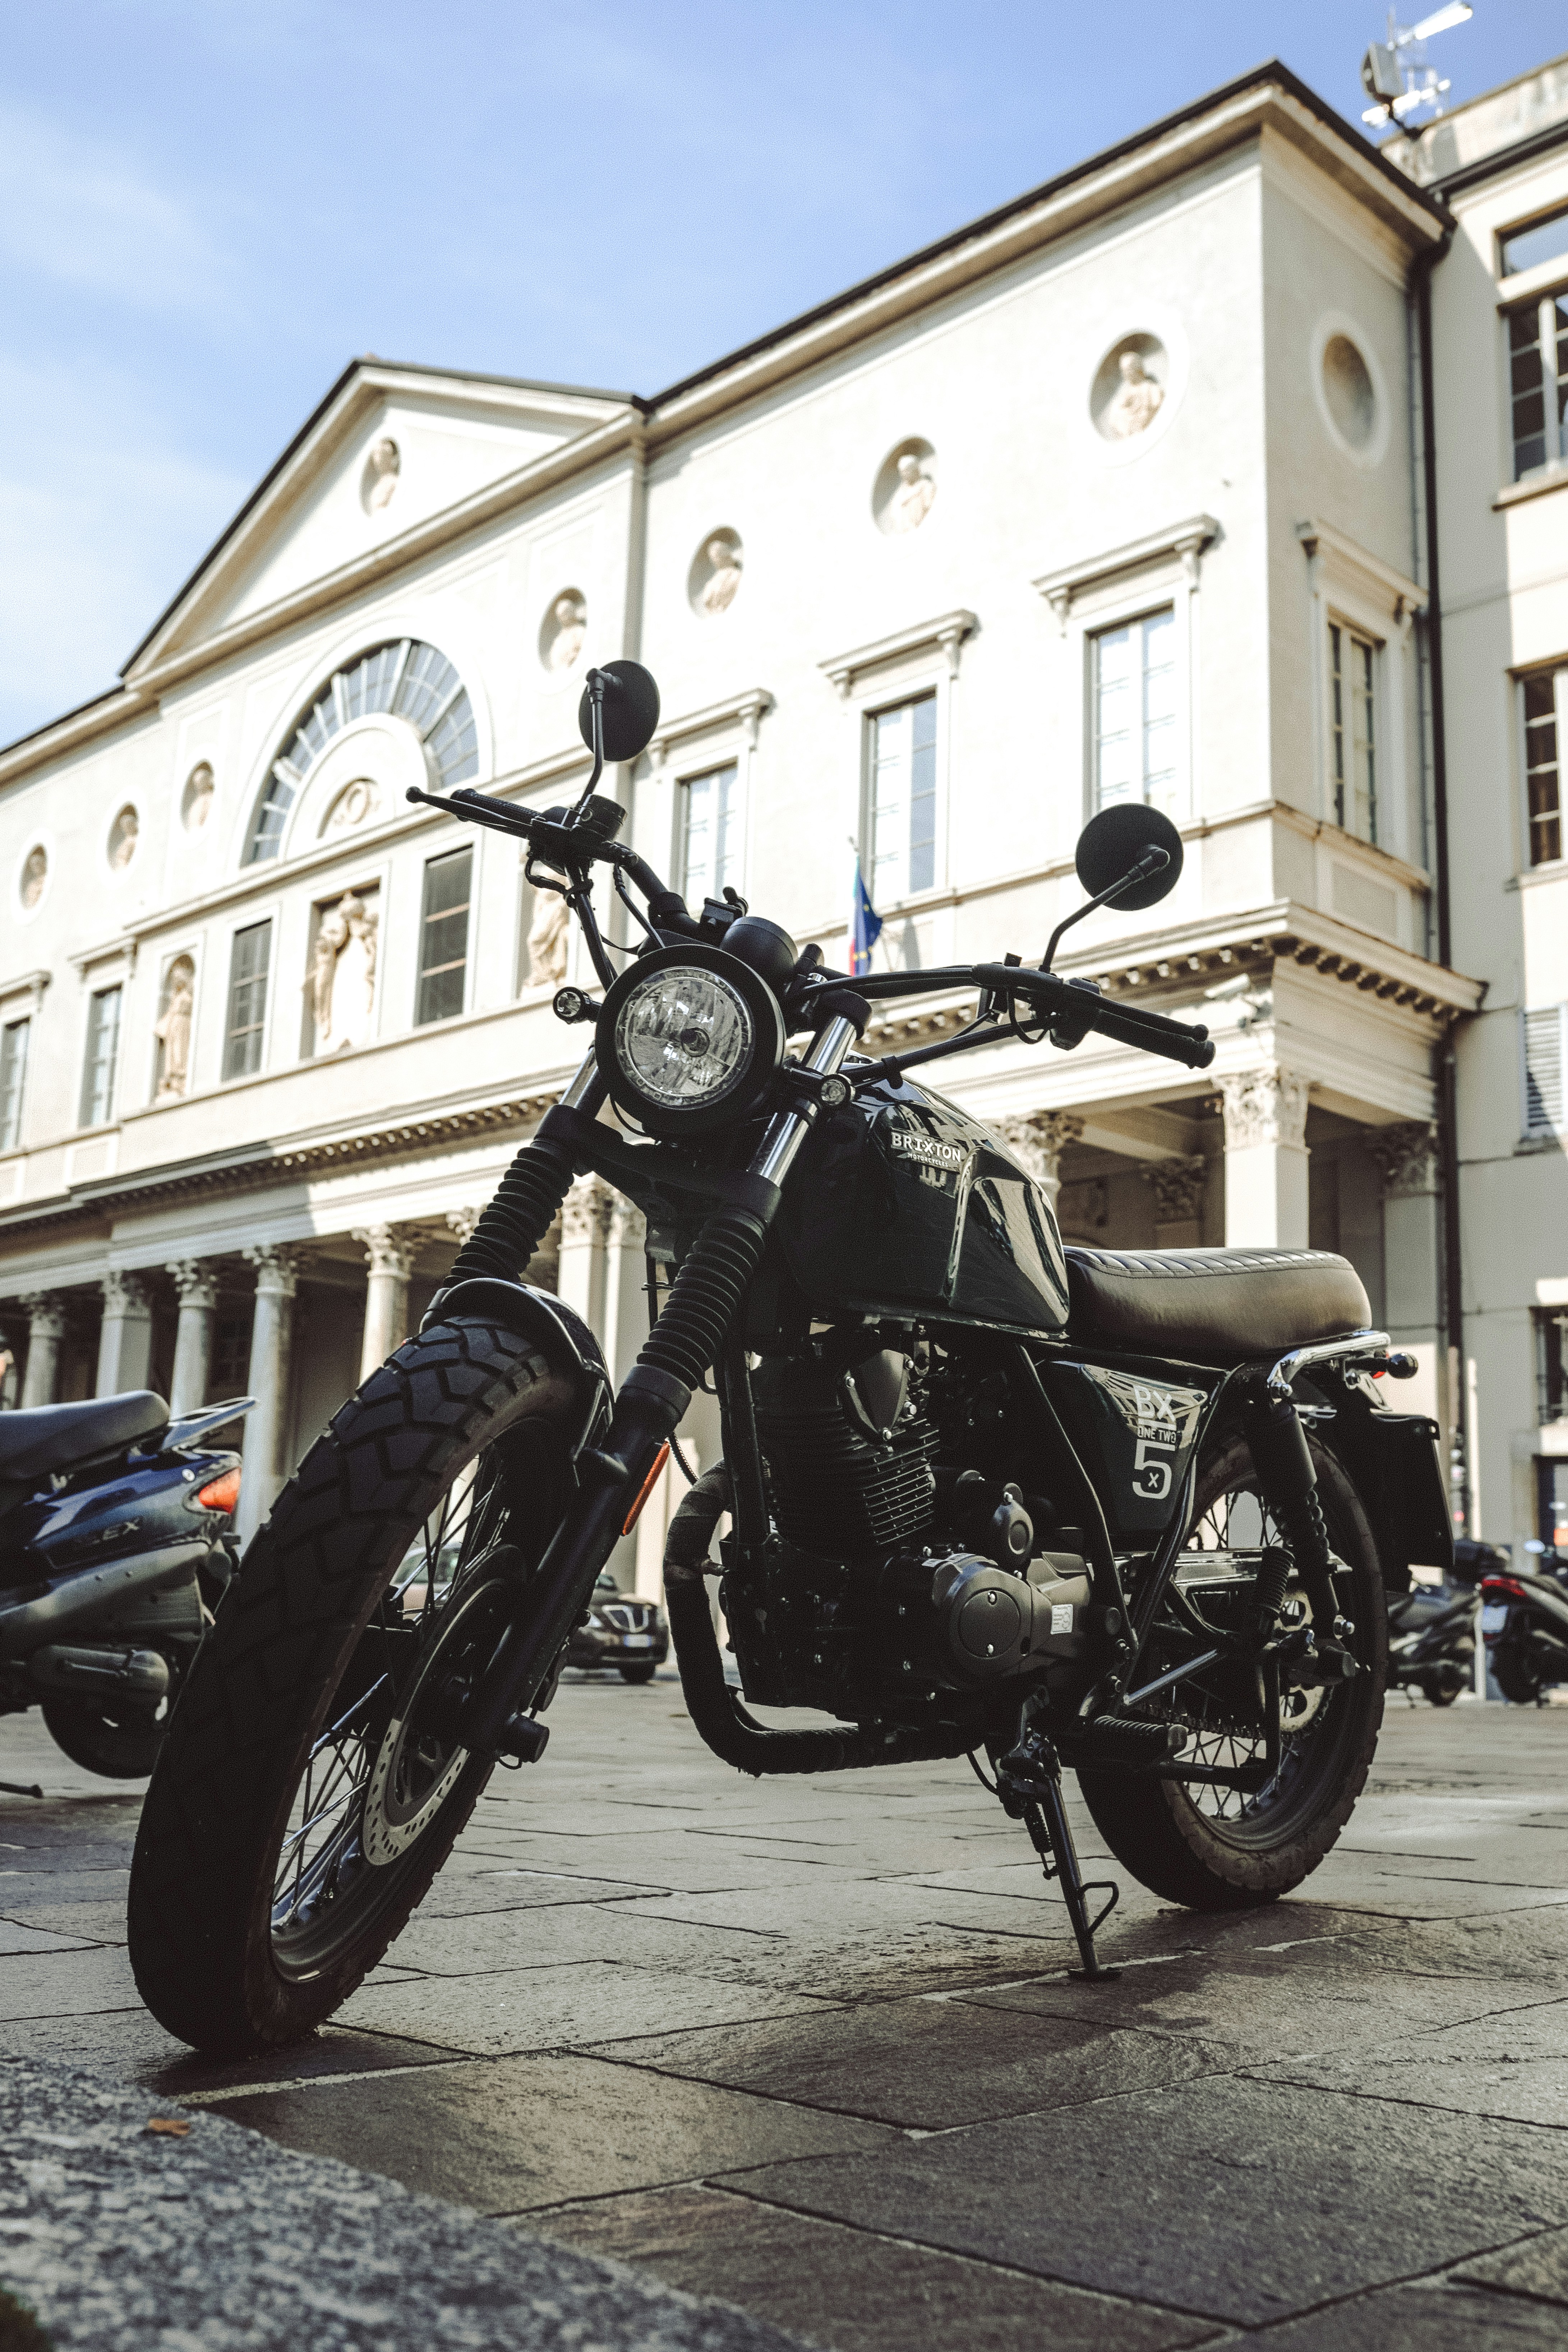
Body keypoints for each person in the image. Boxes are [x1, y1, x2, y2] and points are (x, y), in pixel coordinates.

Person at [1105, 349, 1164, 438]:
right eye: (1124, 371)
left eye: (1128, 370)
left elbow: (1157, 402)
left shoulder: (1151, 388)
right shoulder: (1125, 395)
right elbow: (1115, 416)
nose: (1126, 374)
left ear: (1138, 369)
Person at [888, 452, 936, 532]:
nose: (904, 475)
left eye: (907, 471)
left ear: (915, 470)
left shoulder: (926, 486)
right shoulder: (900, 493)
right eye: (902, 472)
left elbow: (929, 506)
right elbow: (895, 513)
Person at [701, 538, 742, 614]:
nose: (714, 560)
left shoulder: (736, 574)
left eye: (716, 556)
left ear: (724, 555)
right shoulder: (713, 581)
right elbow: (707, 600)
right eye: (713, 558)